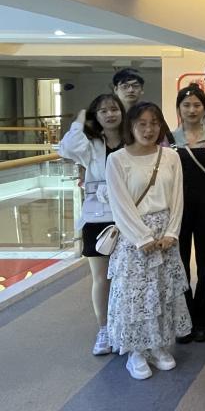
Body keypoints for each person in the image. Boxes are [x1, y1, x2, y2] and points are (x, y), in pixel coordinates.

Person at [105, 102, 191, 380]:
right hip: (134, 238)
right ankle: (136, 352)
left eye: (154, 123)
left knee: (163, 291)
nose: (149, 129)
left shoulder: (171, 157)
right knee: (136, 295)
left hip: (165, 235)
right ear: (130, 126)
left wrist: (172, 232)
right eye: (142, 123)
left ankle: (157, 346)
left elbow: (177, 198)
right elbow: (120, 205)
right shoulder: (116, 160)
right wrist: (141, 237)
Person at [58, 93, 125, 356]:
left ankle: (124, 327)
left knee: (126, 277)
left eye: (114, 109)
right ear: (95, 116)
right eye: (103, 111)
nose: (110, 114)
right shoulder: (91, 145)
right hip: (97, 218)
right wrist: (79, 119)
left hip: (128, 218)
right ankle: (104, 329)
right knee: (101, 278)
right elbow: (66, 148)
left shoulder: (131, 141)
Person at [171, 85, 205, 344]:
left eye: (197, 105)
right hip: (177, 206)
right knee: (178, 262)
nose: (192, 110)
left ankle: (202, 320)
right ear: (179, 108)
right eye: (186, 105)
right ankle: (183, 320)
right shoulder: (168, 139)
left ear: (204, 108)